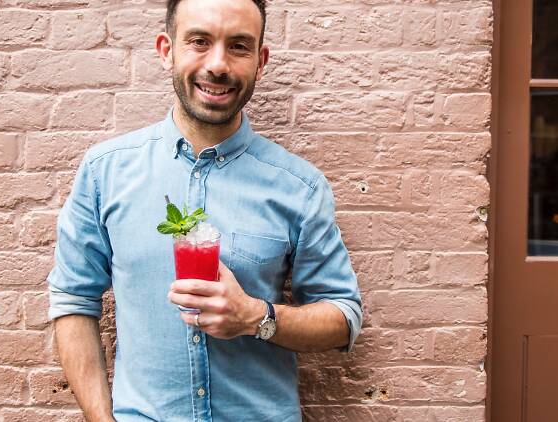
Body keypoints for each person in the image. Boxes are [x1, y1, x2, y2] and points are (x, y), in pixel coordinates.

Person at [47, 0, 363, 420]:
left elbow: (344, 316)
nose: (218, 64)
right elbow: (72, 300)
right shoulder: (105, 172)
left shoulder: (299, 187)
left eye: (238, 46)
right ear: (166, 50)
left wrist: (256, 317)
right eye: (199, 41)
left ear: (260, 61)